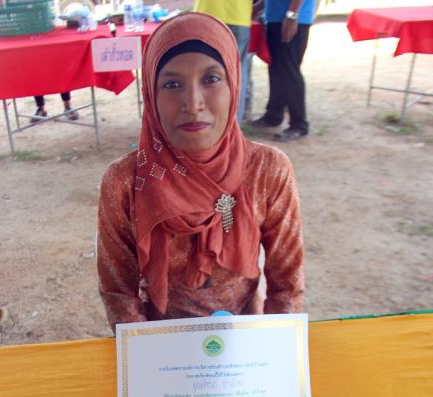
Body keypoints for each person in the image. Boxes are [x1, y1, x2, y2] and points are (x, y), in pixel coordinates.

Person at [97, 12, 304, 329]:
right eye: (172, 84)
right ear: (151, 96)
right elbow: (118, 294)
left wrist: (274, 353)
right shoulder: (125, 182)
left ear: (234, 82)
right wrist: (146, 358)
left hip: (245, 335)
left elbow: (287, 286)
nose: (192, 103)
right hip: (159, 337)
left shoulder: (267, 170)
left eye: (211, 79)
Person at [250, 0, 316, 142]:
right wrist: (257, 7)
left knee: (289, 71)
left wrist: (292, 15)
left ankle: (298, 125)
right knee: (276, 69)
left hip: (292, 18)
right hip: (276, 17)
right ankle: (273, 115)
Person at [193, 1, 253, 124]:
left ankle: (207, 127)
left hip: (208, 14)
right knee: (236, 77)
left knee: (204, 74)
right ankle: (231, 132)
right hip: (239, 17)